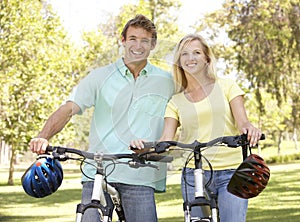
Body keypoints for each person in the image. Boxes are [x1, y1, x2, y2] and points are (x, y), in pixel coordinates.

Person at [30, 14, 174, 222]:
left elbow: (191, 105)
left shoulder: (167, 81)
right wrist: (43, 136)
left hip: (141, 174)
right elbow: (69, 109)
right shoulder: (100, 76)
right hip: (98, 172)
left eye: (145, 40)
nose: (138, 45)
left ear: (153, 45)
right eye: (132, 38)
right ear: (123, 40)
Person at [130, 34, 262, 222]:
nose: (190, 58)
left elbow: (243, 123)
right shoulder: (175, 101)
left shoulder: (227, 86)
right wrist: (145, 147)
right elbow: (166, 140)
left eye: (196, 53)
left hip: (231, 172)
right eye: (184, 54)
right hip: (193, 173)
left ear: (207, 58)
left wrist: (250, 129)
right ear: (179, 61)